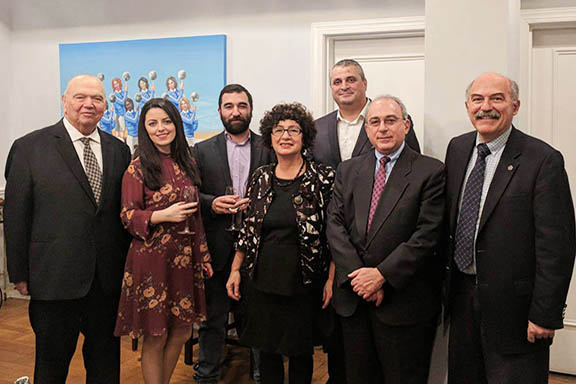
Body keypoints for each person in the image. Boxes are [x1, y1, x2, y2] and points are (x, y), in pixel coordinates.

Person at [444, 72, 576, 384]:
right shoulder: (457, 149)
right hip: (461, 299)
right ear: (467, 107)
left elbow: (556, 246)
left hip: (517, 310)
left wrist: (546, 313)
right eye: (478, 99)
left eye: (496, 99)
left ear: (515, 106)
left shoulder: (543, 160)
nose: (485, 107)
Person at [4, 74, 132, 383]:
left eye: (97, 98)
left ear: (105, 105)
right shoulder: (29, 148)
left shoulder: (119, 150)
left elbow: (120, 214)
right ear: (64, 101)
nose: (89, 104)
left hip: (105, 282)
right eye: (80, 97)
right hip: (54, 279)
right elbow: (16, 214)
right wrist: (19, 273)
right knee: (51, 365)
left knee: (105, 364)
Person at [326, 96, 445, 384]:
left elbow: (427, 235)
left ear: (406, 125)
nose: (383, 128)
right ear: (366, 130)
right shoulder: (349, 170)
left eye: (390, 120)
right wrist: (361, 279)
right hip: (355, 302)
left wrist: (381, 276)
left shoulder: (430, 171)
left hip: (402, 303)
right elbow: (335, 224)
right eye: (375, 122)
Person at [226, 102, 335, 384]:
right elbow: (249, 229)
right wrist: (235, 269)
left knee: (300, 354)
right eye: (279, 130)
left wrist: (332, 279)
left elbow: (334, 233)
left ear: (304, 137)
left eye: (293, 130)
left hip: (304, 282)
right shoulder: (260, 177)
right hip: (261, 280)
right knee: (267, 351)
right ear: (270, 137)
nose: (285, 135)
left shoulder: (323, 177)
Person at [114, 98, 213, 384]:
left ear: (176, 124)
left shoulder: (188, 162)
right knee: (156, 335)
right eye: (153, 123)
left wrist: (203, 256)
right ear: (144, 129)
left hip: (185, 259)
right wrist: (161, 215)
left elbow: (196, 217)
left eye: (166, 121)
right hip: (151, 262)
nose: (161, 128)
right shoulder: (137, 168)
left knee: (182, 331)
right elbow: (127, 215)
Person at [192, 84, 273, 384]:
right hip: (216, 247)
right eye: (229, 106)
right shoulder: (201, 150)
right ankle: (207, 376)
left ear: (251, 109)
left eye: (241, 105)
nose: (235, 111)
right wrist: (212, 202)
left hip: (259, 248)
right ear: (219, 111)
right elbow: (190, 195)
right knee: (212, 320)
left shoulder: (269, 146)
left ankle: (261, 374)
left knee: (257, 318)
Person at [313, 59, 420, 170]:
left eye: (351, 80)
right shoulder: (317, 128)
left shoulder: (395, 121)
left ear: (365, 84)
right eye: (337, 82)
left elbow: (414, 165)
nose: (344, 87)